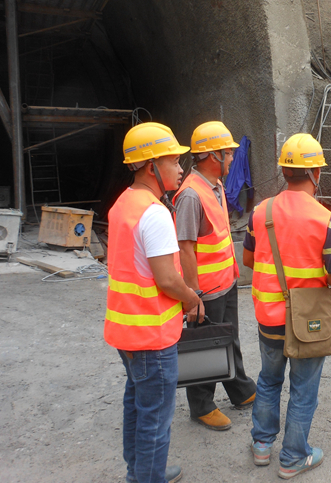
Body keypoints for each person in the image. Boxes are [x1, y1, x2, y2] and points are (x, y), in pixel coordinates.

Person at [243, 133, 331, 479]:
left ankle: (262, 445)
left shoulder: (261, 211)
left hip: (268, 316)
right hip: (307, 321)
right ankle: (292, 457)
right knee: (303, 389)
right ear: (316, 172)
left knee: (268, 380)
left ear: (285, 172)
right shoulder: (325, 219)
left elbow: (248, 260)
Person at [104, 122, 205, 483]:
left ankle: (141, 473)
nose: (180, 168)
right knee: (155, 420)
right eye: (173, 161)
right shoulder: (155, 213)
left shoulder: (124, 204)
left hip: (126, 330)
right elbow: (167, 279)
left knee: (137, 406)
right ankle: (148, 477)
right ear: (151, 167)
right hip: (152, 335)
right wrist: (192, 299)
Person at [173, 121, 256, 431]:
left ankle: (240, 389)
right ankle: (202, 405)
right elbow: (185, 248)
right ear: (212, 156)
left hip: (225, 282)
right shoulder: (191, 196)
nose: (232, 158)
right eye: (228, 153)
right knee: (205, 346)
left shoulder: (215, 186)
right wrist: (193, 296)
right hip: (206, 291)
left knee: (229, 338)